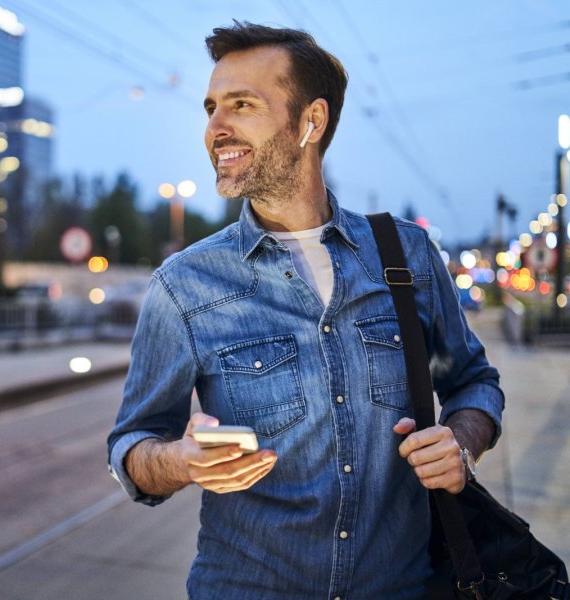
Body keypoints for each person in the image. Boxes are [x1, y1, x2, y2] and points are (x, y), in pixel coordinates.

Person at [108, 21, 503, 600]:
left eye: (241, 105)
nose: (216, 128)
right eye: (212, 107)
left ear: (311, 122)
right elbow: (132, 448)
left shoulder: (406, 256)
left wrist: (461, 445)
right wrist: (182, 460)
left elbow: (474, 383)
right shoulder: (185, 284)